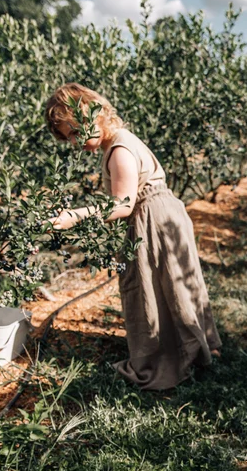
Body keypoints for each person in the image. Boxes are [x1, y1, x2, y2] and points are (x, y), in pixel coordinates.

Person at [44, 83, 221, 390]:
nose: (75, 142)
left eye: (74, 131)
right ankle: (203, 347)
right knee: (177, 285)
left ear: (91, 114)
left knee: (152, 290)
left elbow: (123, 204)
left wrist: (75, 216)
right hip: (165, 214)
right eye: (69, 136)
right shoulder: (119, 142)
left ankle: (168, 357)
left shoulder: (119, 149)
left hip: (153, 220)